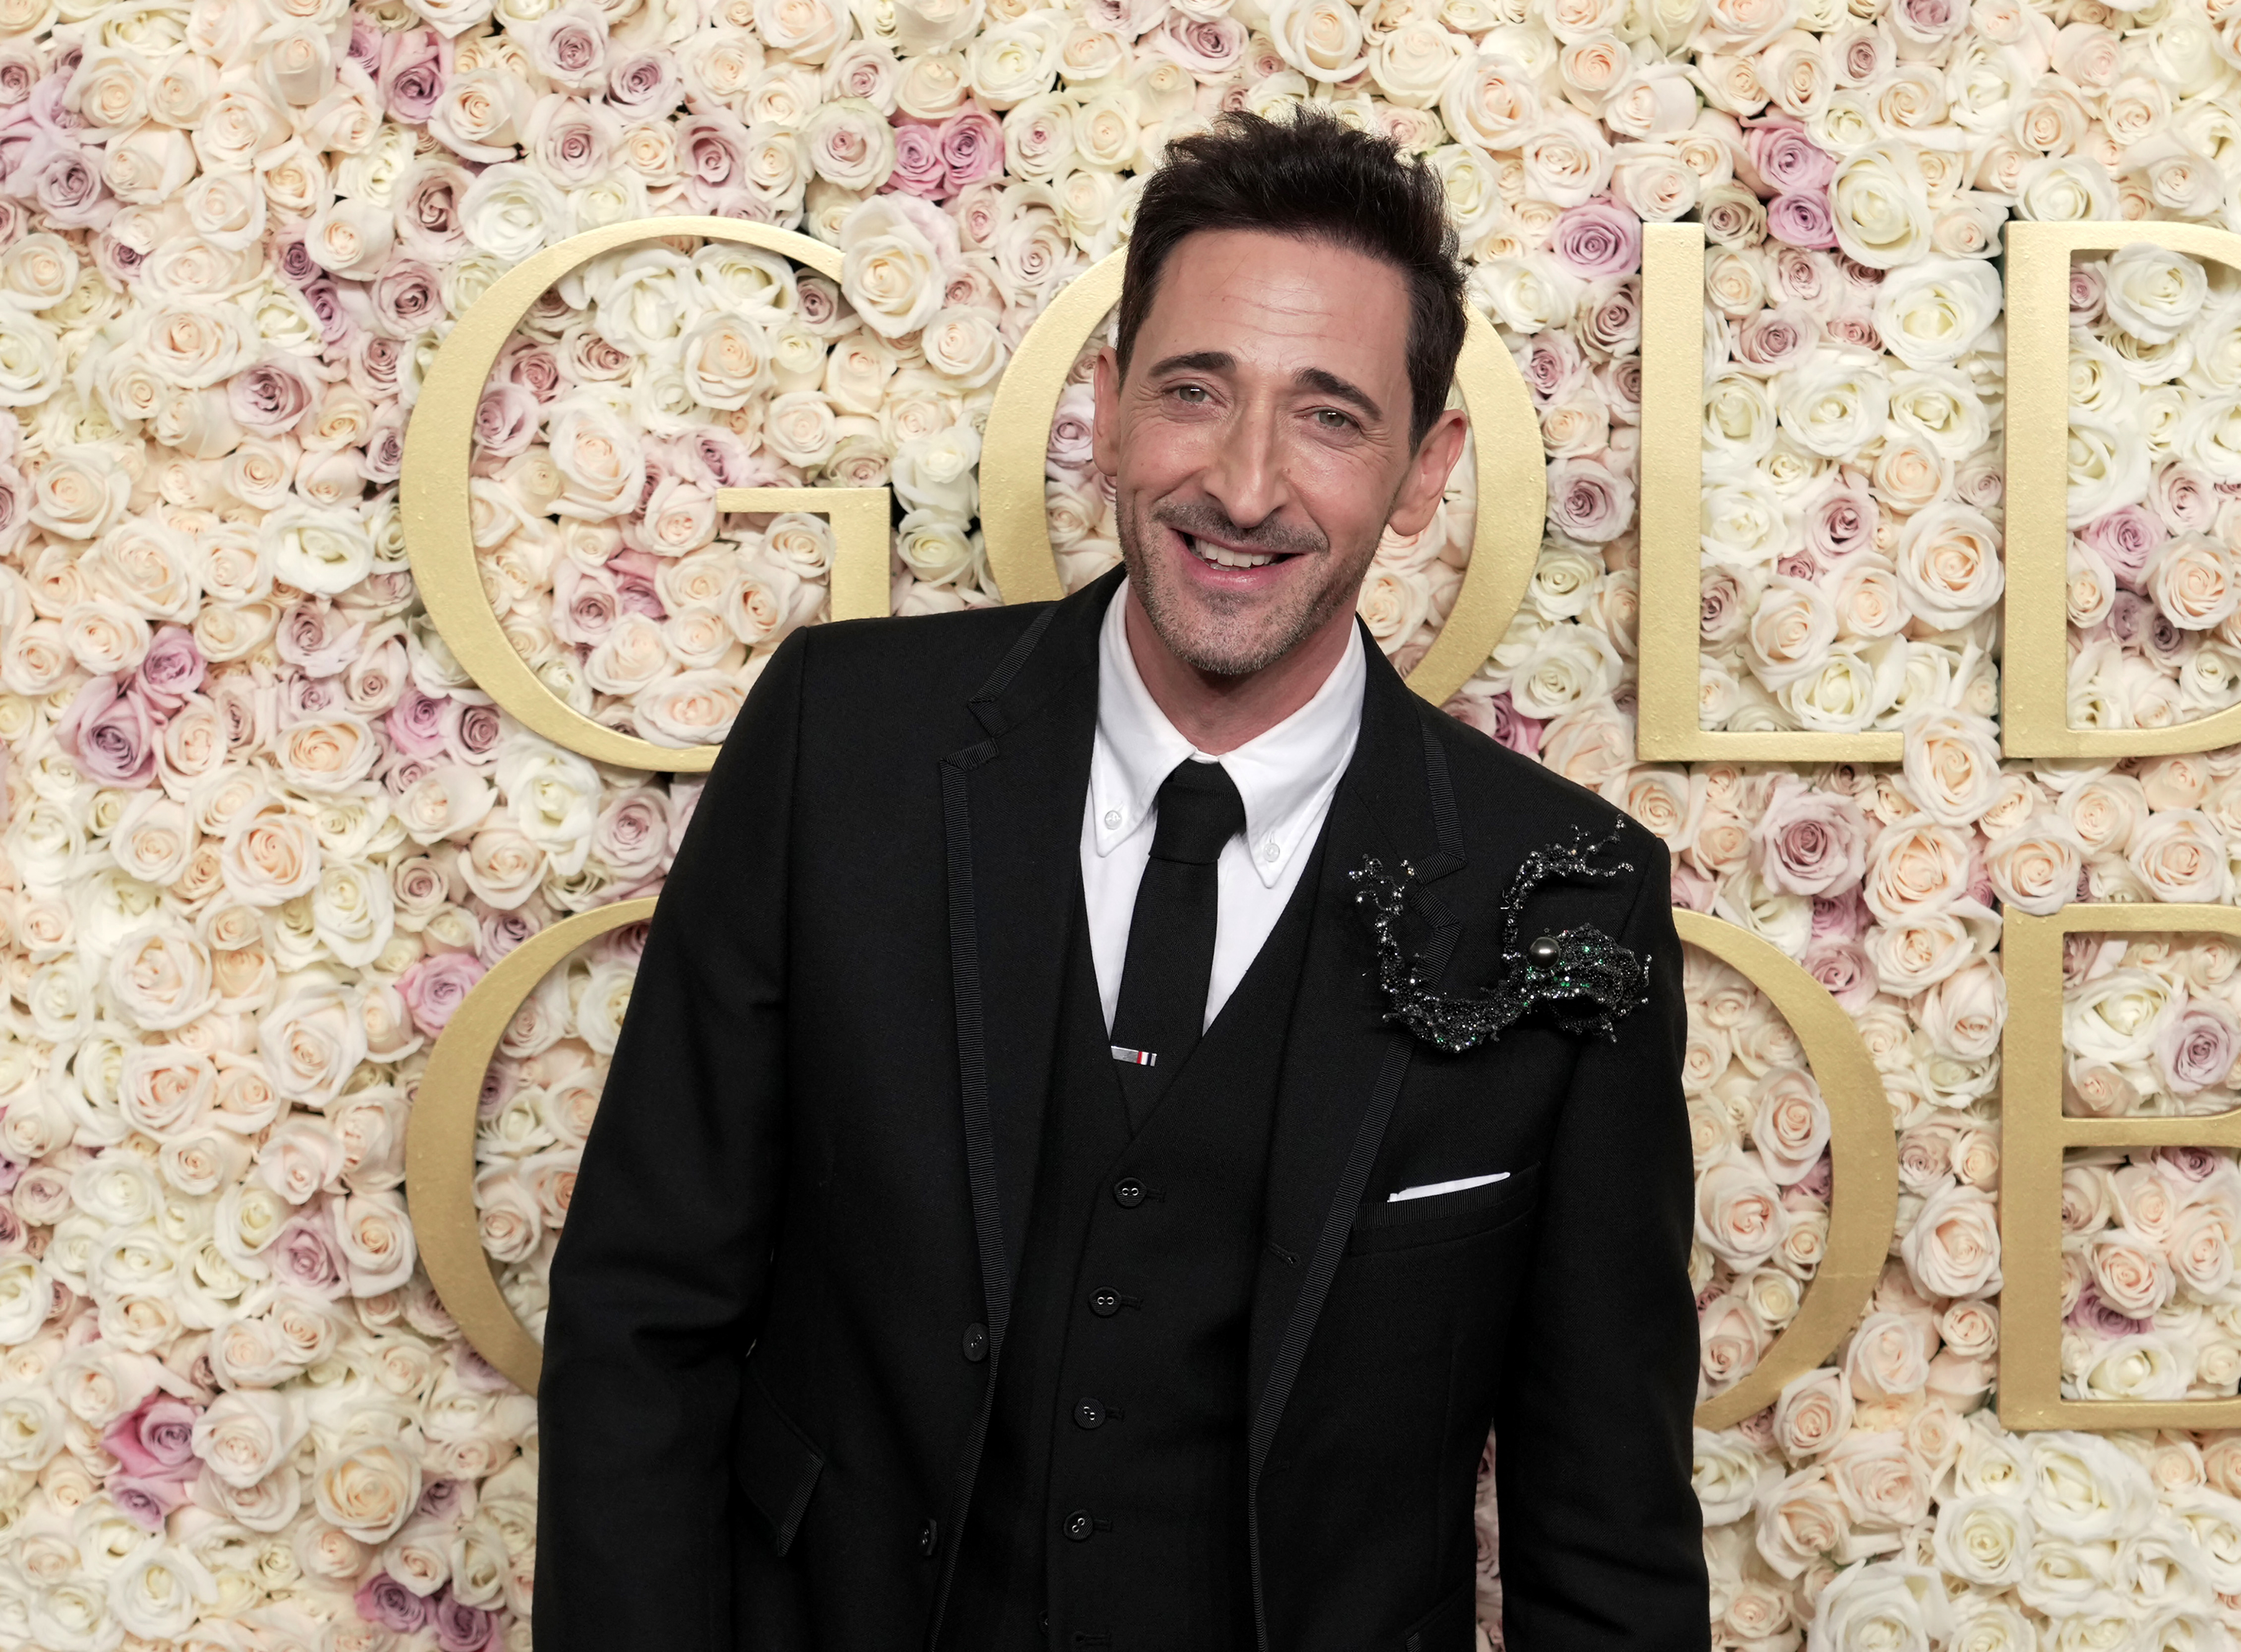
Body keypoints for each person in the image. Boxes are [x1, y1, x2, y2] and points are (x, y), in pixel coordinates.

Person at [535, 108, 1703, 1652]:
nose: (1241, 482)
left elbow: (1599, 1515)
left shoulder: (1562, 889)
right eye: (1193, 391)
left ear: (1425, 471)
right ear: (1102, 408)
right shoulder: (843, 747)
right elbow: (644, 1320)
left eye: (1330, 417)